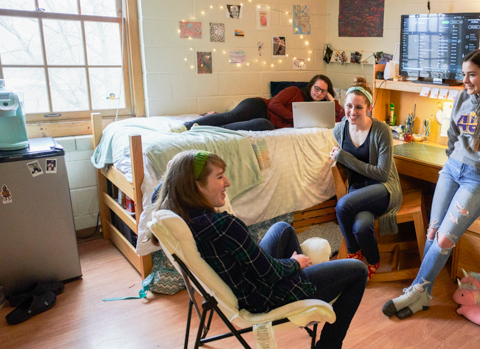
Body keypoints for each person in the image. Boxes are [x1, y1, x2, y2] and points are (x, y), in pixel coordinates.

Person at [154, 150, 367, 348]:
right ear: (196, 186)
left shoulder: (183, 213)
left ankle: (303, 290)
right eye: (219, 177)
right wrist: (294, 263)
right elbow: (269, 272)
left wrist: (175, 169)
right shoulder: (224, 226)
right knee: (358, 269)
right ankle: (325, 339)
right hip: (261, 295)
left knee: (283, 229)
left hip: (245, 279)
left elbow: (159, 193)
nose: (227, 183)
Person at [382, 49, 480, 319]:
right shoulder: (463, 96)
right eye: (463, 74)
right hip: (453, 169)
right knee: (432, 231)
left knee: (445, 238)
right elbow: (453, 131)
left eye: (472, 74)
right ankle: (423, 294)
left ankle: (417, 291)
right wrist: (453, 155)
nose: (465, 80)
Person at [329, 77, 402, 280]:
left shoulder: (382, 131)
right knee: (361, 227)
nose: (352, 112)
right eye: (349, 106)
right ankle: (373, 260)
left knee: (343, 206)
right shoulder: (340, 129)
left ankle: (353, 252)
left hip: (383, 188)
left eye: (359, 107)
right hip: (359, 191)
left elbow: (382, 173)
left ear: (369, 108)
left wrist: (345, 157)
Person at [184, 74, 345, 130]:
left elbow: (339, 118)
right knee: (230, 117)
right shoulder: (295, 91)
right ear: (311, 86)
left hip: (266, 121)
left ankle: (216, 129)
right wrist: (296, 119)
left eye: (323, 91)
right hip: (258, 106)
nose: (319, 93)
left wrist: (332, 100)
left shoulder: (317, 110)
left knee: (264, 126)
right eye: (317, 88)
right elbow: (274, 105)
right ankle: (187, 126)